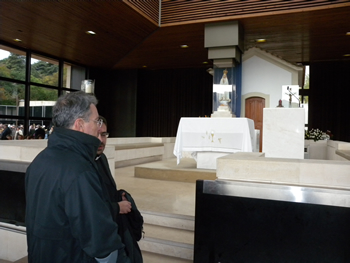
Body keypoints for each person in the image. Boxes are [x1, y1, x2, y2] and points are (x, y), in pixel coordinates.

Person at [25, 91, 130, 263]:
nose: (99, 126)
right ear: (80, 125)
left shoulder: (39, 161)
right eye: (96, 121)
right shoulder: (79, 171)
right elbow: (100, 240)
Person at [96, 116, 143, 263]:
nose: (101, 140)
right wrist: (117, 207)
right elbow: (89, 209)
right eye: (96, 134)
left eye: (104, 135)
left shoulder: (101, 158)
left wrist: (120, 196)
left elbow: (107, 190)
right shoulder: (83, 165)